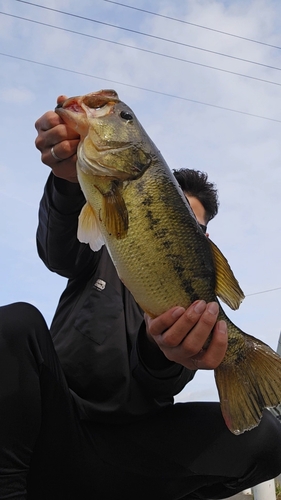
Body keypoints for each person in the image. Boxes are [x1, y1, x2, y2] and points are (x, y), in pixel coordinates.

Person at [1, 96, 281, 500]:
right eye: (178, 210)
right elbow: (57, 248)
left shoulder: (195, 291)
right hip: (55, 424)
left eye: (195, 225)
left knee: (267, 439)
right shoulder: (96, 250)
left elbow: (164, 376)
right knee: (16, 324)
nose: (185, 225)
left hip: (129, 453)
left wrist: (162, 349)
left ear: (205, 239)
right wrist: (66, 183)